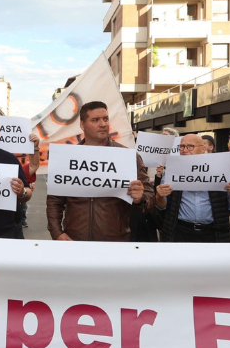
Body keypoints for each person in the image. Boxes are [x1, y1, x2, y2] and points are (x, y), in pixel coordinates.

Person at [46, 101, 152, 242]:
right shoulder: (68, 156)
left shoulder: (128, 157)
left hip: (115, 241)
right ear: (82, 125)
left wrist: (141, 199)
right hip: (74, 239)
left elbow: (150, 196)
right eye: (95, 120)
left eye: (105, 119)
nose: (103, 124)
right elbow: (54, 200)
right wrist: (56, 232)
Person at [152, 134, 230, 243]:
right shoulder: (172, 170)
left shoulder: (219, 168)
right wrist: (160, 196)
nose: (185, 150)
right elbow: (162, 206)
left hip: (213, 233)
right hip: (180, 232)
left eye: (190, 146)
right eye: (182, 146)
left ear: (203, 148)